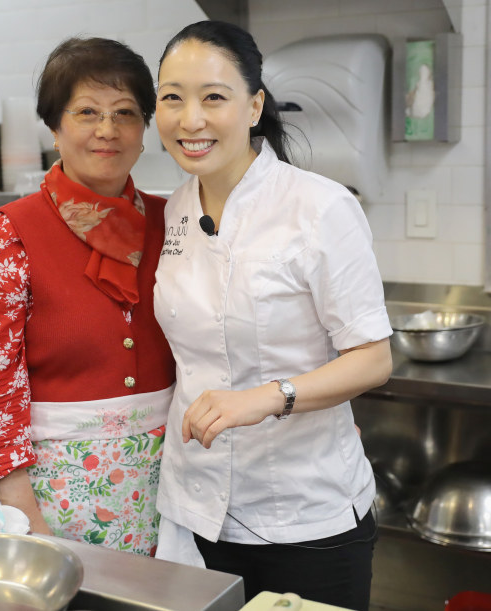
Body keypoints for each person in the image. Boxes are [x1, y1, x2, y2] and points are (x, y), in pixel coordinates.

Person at [152, 20, 393, 608]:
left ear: (255, 105)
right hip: (196, 510)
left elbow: (373, 359)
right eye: (171, 98)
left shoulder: (319, 207)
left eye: (214, 97)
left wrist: (263, 398)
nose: (191, 120)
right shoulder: (175, 209)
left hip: (304, 517)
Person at [0, 37, 175, 556]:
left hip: (174, 487)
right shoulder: (10, 233)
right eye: (87, 112)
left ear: (144, 131)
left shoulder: (176, 222)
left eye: (125, 112)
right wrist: (24, 516)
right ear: (55, 128)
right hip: (54, 496)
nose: (107, 130)